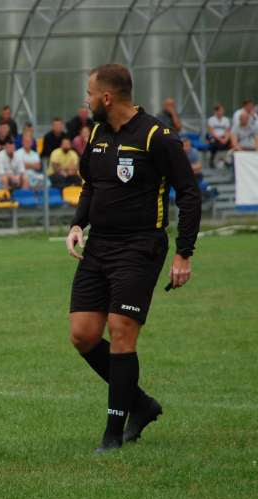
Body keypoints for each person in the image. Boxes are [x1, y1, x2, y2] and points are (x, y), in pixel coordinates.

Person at [65, 63, 201, 453]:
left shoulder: (157, 136)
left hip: (140, 247)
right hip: (99, 246)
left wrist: (184, 254)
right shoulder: (96, 133)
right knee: (83, 335)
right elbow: (92, 185)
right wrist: (78, 225)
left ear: (107, 97)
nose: (86, 100)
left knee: (121, 331)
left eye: (89, 93)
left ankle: (112, 435)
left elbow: (189, 193)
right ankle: (140, 404)